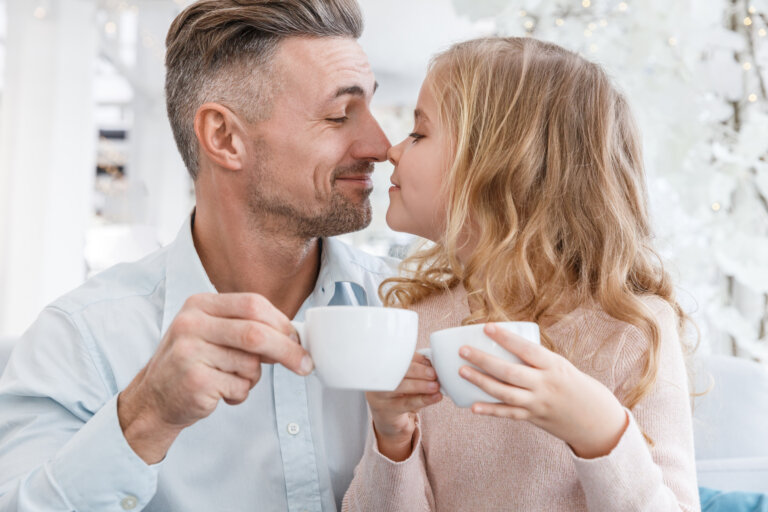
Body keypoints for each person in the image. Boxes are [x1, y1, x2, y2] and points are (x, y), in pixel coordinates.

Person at [0, 1, 394, 510]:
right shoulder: (80, 340)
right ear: (224, 137)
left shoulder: (413, 308)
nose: (381, 144)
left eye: (371, 109)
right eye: (340, 114)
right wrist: (145, 418)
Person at [342, 37, 700, 511]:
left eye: (420, 133)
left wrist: (598, 430)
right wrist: (391, 437)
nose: (392, 150)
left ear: (499, 166)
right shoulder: (416, 320)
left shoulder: (633, 329)